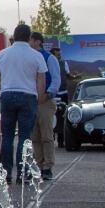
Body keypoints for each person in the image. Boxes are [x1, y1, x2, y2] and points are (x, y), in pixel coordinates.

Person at [0, 23, 47, 182]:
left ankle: (6, 173)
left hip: (7, 95)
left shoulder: (3, 53)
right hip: (28, 96)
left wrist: (0, 92)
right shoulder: (36, 55)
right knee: (24, 137)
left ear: (14, 35)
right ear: (29, 37)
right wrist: (39, 98)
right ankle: (23, 173)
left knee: (7, 136)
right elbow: (41, 80)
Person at [28, 32, 60, 181]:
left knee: (46, 135)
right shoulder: (28, 58)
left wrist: (48, 94)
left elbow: (55, 79)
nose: (28, 43)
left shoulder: (49, 58)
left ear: (37, 41)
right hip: (31, 101)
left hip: (45, 101)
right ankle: (39, 165)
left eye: (30, 40)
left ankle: (48, 166)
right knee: (35, 136)